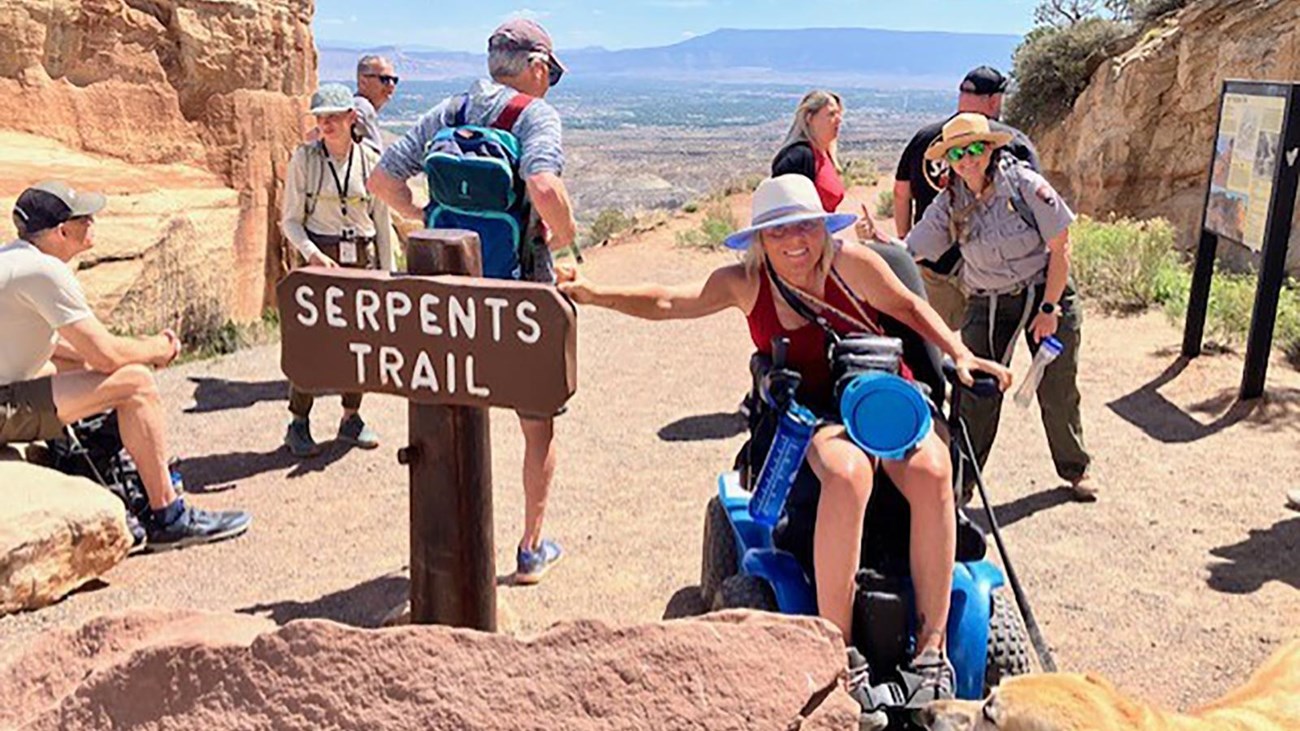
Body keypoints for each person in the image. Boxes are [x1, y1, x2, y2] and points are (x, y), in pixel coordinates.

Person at [557, 174, 1011, 700]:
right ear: (760, 241)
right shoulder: (748, 283)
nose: (794, 242)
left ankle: (932, 652)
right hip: (816, 412)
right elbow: (667, 301)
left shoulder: (852, 263)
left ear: (823, 228)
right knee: (847, 472)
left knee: (933, 469)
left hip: (885, 400)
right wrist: (591, 293)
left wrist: (958, 353)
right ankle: (837, 648)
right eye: (777, 233)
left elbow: (909, 308)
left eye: (804, 227)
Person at [369, 18, 577, 584]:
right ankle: (531, 548)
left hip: (452, 289)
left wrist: (423, 220)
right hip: (519, 291)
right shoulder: (536, 115)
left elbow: (382, 181)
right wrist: (563, 235)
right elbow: (542, 186)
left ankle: (449, 556)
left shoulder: (447, 113)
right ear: (536, 67)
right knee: (537, 425)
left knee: (453, 410)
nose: (549, 83)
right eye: (550, 73)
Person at [1, 181, 251, 551]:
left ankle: (100, 467)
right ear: (62, 231)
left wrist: (99, 363)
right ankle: (169, 515)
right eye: (85, 217)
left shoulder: (12, 258)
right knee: (136, 383)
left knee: (74, 367)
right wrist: (158, 347)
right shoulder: (44, 272)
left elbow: (72, 352)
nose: (93, 223)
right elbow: (107, 355)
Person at [862, 113, 1094, 501]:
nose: (966, 159)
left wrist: (1050, 308)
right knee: (975, 390)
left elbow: (1060, 247)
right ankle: (961, 482)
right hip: (988, 299)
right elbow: (913, 249)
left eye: (973, 149)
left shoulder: (1025, 185)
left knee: (1056, 385)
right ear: (948, 159)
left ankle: (1075, 469)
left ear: (989, 148)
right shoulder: (949, 201)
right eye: (957, 153)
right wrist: (877, 240)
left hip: (1044, 292)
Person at [280, 83, 394, 457]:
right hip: (320, 260)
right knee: (310, 344)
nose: (325, 124)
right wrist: (312, 254)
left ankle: (351, 418)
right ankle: (298, 423)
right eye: (320, 117)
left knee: (359, 342)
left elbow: (381, 222)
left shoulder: (372, 160)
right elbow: (291, 221)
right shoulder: (306, 160)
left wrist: (388, 276)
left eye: (333, 117)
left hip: (362, 259)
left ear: (351, 118)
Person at [891, 66, 1040, 329]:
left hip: (935, 267)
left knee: (936, 348)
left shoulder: (925, 138)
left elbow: (901, 193)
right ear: (995, 100)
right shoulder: (1012, 142)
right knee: (986, 354)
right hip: (997, 269)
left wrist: (907, 243)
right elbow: (1035, 208)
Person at [772, 90, 846, 213]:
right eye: (831, 114)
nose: (839, 120)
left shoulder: (825, 154)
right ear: (809, 118)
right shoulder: (798, 157)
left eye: (839, 114)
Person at [354, 54, 398, 152]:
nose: (391, 85)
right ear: (363, 81)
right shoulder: (362, 108)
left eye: (394, 80)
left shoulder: (366, 108)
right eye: (385, 79)